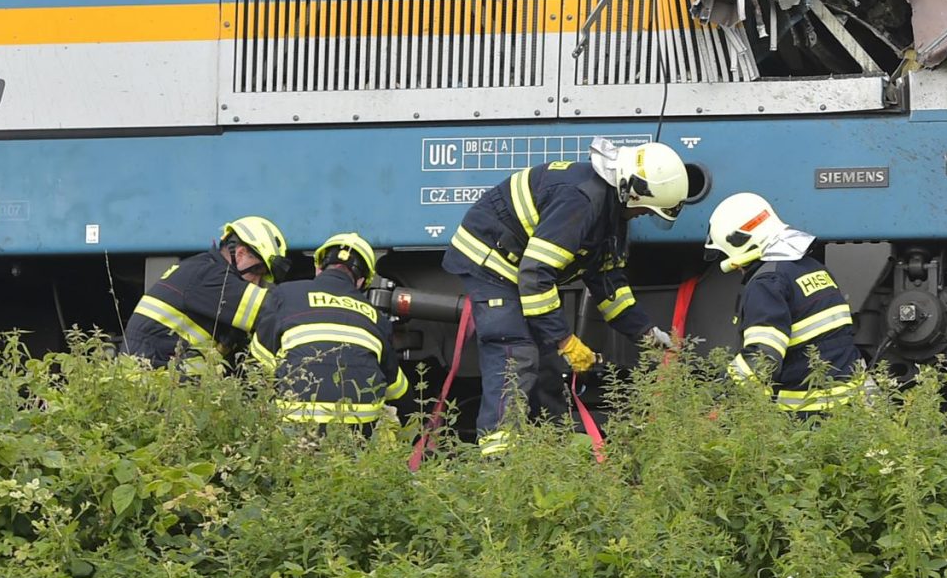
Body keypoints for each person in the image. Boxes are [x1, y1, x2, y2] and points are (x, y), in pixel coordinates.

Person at [441, 137, 690, 454]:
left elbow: (607, 283)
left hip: (520, 268)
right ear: (632, 191)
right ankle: (498, 462)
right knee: (514, 352)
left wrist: (648, 334)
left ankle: (555, 450)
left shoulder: (609, 211)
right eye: (646, 208)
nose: (643, 215)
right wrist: (565, 340)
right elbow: (534, 273)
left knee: (545, 361)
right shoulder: (582, 200)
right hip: (491, 262)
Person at [705, 192, 864, 413]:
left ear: (741, 243)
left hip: (808, 416)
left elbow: (762, 358)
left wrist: (719, 400)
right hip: (850, 404)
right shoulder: (813, 267)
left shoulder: (767, 283)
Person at [250, 232, 410, 429]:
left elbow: (258, 362)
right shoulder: (376, 317)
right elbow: (395, 387)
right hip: (356, 430)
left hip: (295, 423)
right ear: (361, 282)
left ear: (318, 268)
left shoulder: (285, 293)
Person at [120, 215, 287, 371]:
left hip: (161, 383)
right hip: (156, 384)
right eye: (257, 270)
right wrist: (310, 300)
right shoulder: (209, 276)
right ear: (241, 254)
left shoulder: (202, 269)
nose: (257, 282)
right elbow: (273, 309)